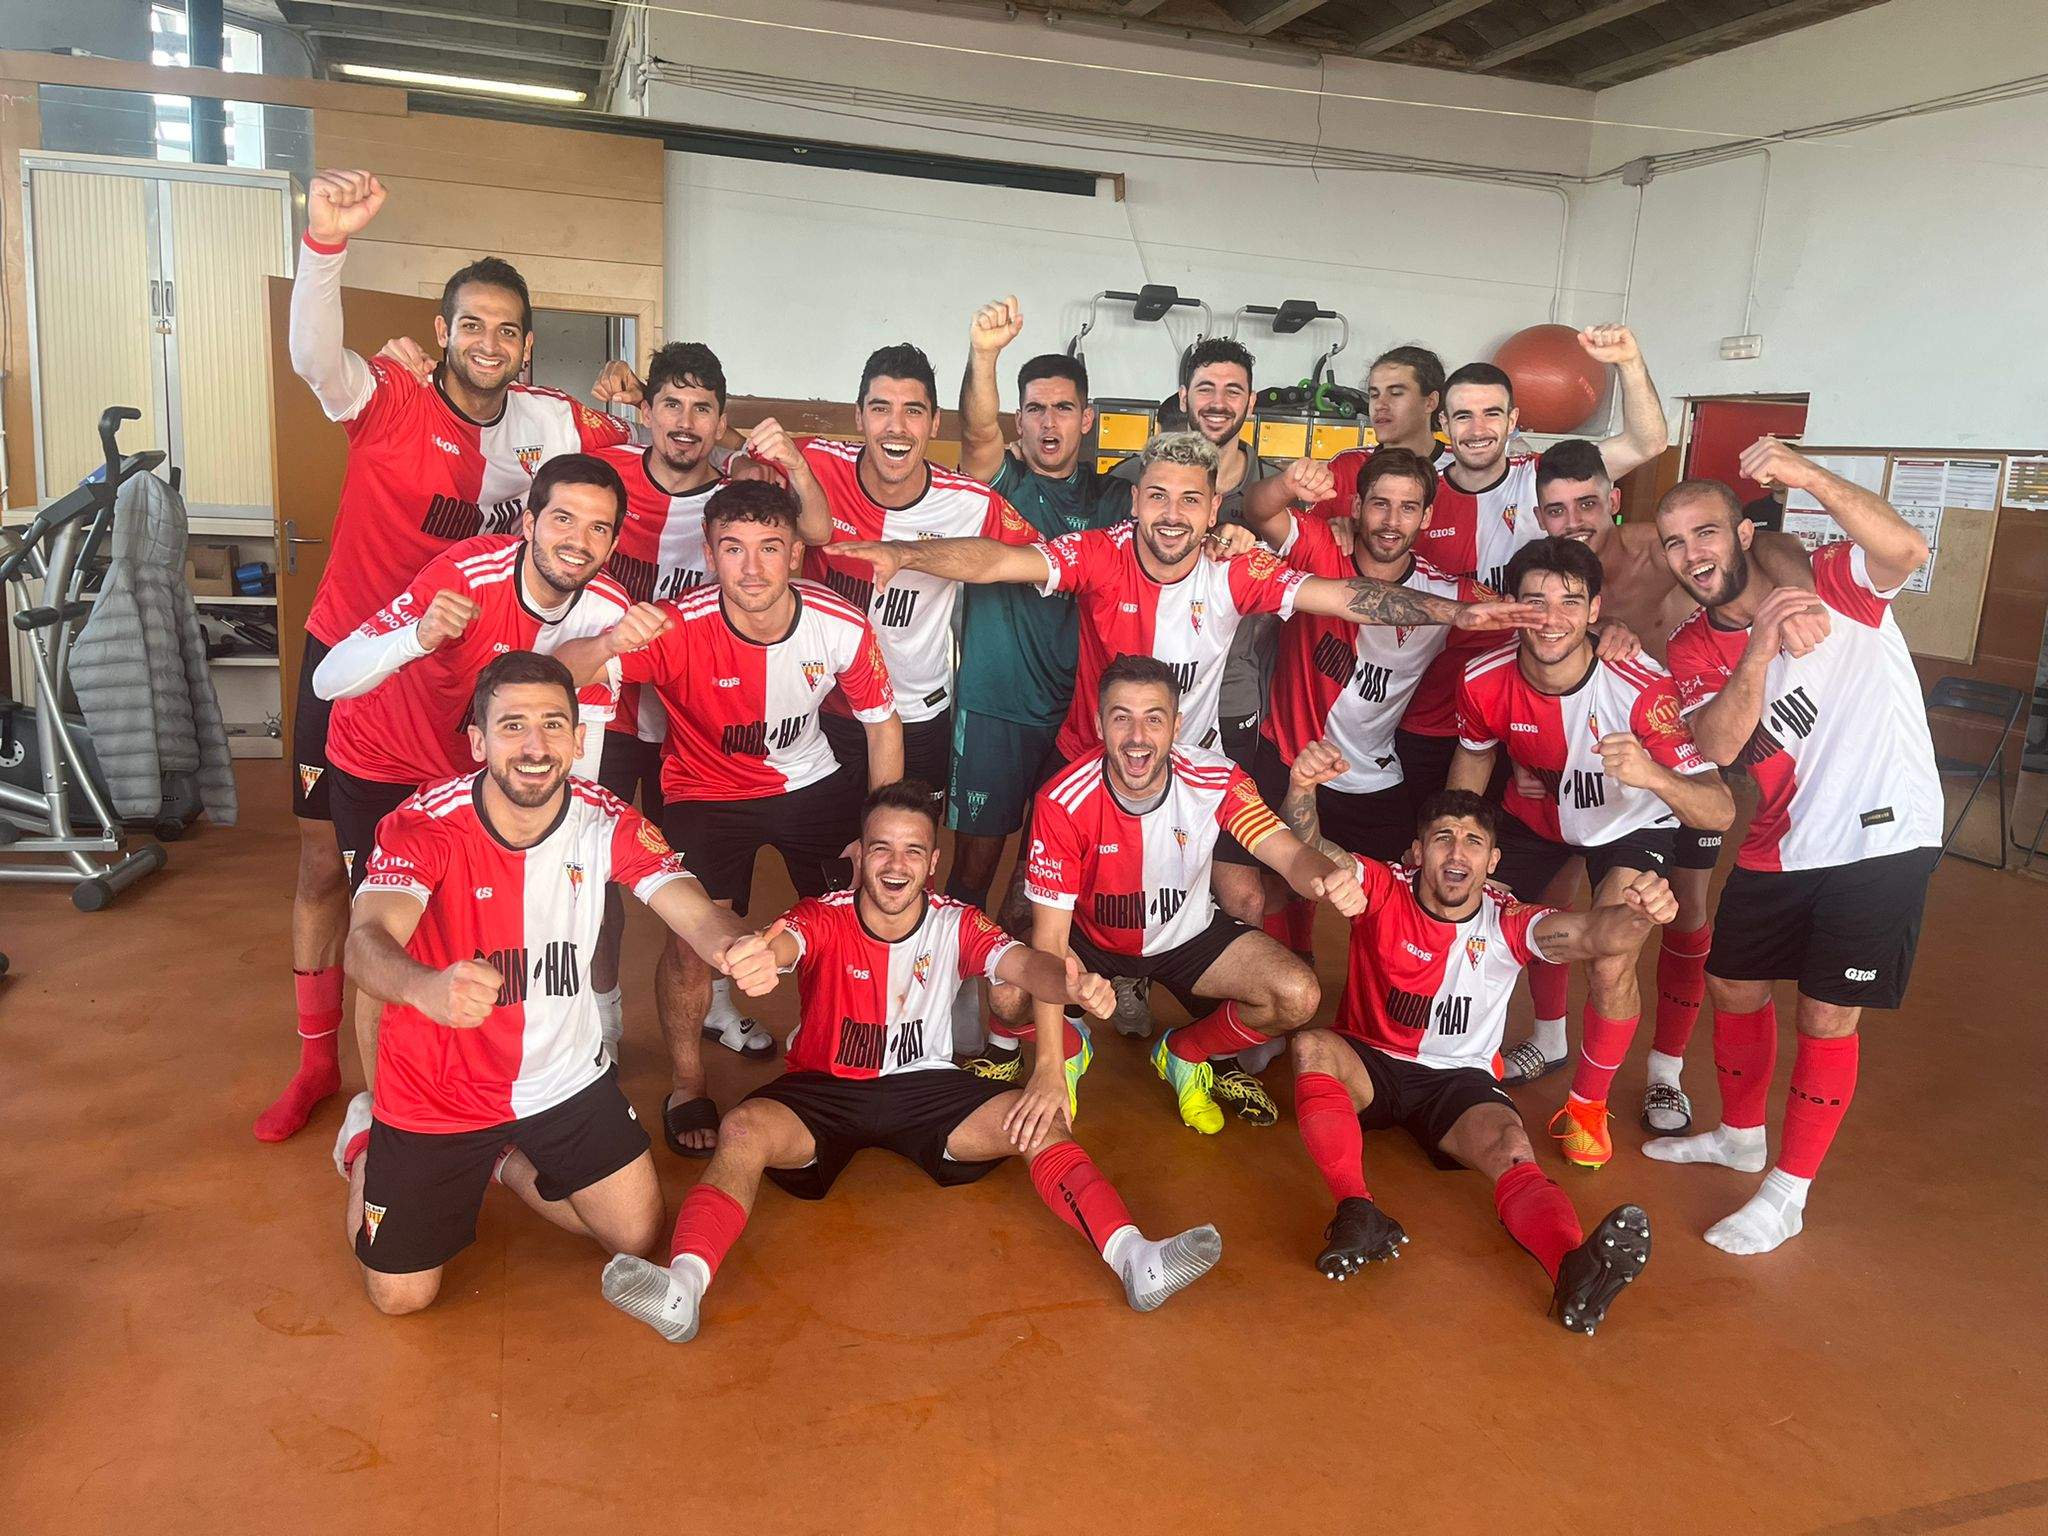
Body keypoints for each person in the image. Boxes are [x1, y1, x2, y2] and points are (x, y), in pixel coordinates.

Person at [831, 430, 1538, 1088]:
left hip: (1199, 777)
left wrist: (1452, 613)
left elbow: (1344, 597)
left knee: (1246, 897)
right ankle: (1032, 1042)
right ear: (1136, 501)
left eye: (1191, 499)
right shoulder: (1102, 553)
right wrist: (905, 556)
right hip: (1090, 769)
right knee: (1024, 924)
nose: (1172, 514)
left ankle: (1189, 1036)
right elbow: (1000, 560)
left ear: (1211, 510)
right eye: (1159, 496)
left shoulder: (1236, 570)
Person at [261, 167, 630, 1144]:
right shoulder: (388, 396)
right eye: (472, 325)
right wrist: (324, 244)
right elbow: (310, 354)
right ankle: (317, 1066)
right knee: (324, 874)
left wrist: (632, 402)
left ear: (524, 344)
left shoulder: (546, 421)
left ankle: (451, 1085)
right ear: (442, 331)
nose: (489, 344)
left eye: (507, 330)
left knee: (450, 889)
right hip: (362, 653)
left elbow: (635, 456)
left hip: (469, 680)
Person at [599, 781, 1224, 1343]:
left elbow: (1024, 966)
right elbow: (783, 943)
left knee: (1041, 1123)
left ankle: (1134, 1257)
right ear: (858, 855)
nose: (895, 865)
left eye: (912, 851)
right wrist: (758, 957)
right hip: (823, 1089)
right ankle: (683, 1286)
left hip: (929, 1089)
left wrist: (1071, 981)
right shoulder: (822, 915)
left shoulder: (958, 923)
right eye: (880, 849)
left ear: (933, 863)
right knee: (740, 1131)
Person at [338, 651, 778, 1316]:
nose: (535, 745)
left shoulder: (604, 818)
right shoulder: (426, 823)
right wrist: (425, 987)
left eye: (552, 724)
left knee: (633, 1233)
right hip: (438, 1091)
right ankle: (366, 1137)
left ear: (578, 739)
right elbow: (365, 944)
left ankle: (502, 1161)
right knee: (402, 1297)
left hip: (561, 1078)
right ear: (479, 741)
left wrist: (730, 945)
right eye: (512, 726)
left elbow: (685, 903)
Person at [1649, 439, 1941, 1255]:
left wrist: (1807, 473)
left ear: (1743, 533)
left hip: (1882, 833)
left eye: (1705, 533)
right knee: (1734, 986)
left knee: (1825, 1011)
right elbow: (1716, 741)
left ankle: (1788, 1191)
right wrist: (1762, 646)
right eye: (1675, 543)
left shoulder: (1839, 586)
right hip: (1783, 839)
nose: (1692, 555)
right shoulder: (1693, 647)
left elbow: (1906, 549)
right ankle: (1741, 1137)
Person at [552, 479, 903, 1157]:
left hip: (812, 781)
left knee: (852, 919)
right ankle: (688, 1083)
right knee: (689, 944)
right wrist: (610, 642)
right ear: (709, 555)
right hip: (704, 791)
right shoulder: (676, 625)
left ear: (796, 554)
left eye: (770, 548)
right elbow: (556, 671)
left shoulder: (840, 623)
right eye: (733, 549)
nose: (751, 567)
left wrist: (877, 835)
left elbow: (884, 728)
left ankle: (833, 1056)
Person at [1277, 750, 1669, 1335]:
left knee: (1513, 1145)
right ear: (1418, 853)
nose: (1456, 852)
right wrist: (1302, 788)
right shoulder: (1383, 886)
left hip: (1456, 1083)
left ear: (1492, 862)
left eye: (1472, 842)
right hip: (1370, 1060)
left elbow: (1592, 933)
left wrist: (1640, 915)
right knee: (1310, 1047)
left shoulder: (1510, 921)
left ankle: (1571, 1268)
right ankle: (1356, 1208)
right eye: (1442, 838)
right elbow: (1309, 855)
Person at [1528, 438, 1816, 1131]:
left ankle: (1665, 1073)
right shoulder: (1545, 573)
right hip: (1585, 747)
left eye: (1589, 504)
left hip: (1679, 748)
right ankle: (1547, 1038)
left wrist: (1796, 593)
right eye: (1558, 511)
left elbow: (1767, 542)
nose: (1576, 522)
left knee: (1684, 911)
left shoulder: (1660, 548)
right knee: (1550, 898)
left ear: (1613, 501)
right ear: (1541, 517)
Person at [1451, 536, 1733, 1171]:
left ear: (1595, 609)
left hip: (1629, 828)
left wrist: (1653, 774)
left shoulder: (1641, 687)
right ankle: (1494, 1053)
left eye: (1569, 602)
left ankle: (1586, 1105)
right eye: (1534, 602)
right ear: (1511, 607)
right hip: (1535, 817)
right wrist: (1456, 852)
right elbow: (1471, 760)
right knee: (1466, 921)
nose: (1551, 618)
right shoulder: (1482, 676)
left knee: (1610, 953)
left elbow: (1718, 810)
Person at [587, 343, 830, 1062]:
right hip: (611, 711)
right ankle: (600, 1019)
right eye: (669, 405)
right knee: (595, 874)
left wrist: (748, 443)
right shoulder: (609, 473)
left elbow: (814, 531)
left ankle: (717, 1005)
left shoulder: (741, 490)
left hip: (695, 727)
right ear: (647, 411)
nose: (684, 423)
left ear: (721, 420)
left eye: (702, 410)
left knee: (698, 887)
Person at [1015, 656, 1369, 1135]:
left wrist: (1329, 876)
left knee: (1298, 995)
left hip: (1187, 938)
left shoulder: (1217, 780)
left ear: (1177, 725)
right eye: (1121, 717)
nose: (1138, 737)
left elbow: (1289, 855)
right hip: (1093, 944)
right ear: (1099, 724)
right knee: (1006, 988)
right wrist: (1049, 1067)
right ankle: (1074, 1049)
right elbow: (1051, 942)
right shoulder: (1061, 800)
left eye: (1154, 719)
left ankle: (1184, 1052)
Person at [1247, 448, 1509, 968]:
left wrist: (1606, 633)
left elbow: (1531, 643)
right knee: (1277, 890)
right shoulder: (1323, 549)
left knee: (1401, 898)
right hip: (1288, 757)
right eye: (1380, 505)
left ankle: (1385, 1009)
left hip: (1373, 772)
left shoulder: (1449, 590)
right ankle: (1289, 976)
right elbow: (1259, 511)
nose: (1391, 522)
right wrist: (1285, 484)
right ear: (1357, 505)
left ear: (1427, 517)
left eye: (1408, 508)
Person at [947, 297, 1129, 918]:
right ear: (1018, 421)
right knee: (972, 870)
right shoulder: (1001, 485)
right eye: (1034, 409)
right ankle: (949, 992)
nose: (1048, 423)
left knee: (1042, 879)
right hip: (996, 705)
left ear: (1087, 418)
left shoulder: (1118, 498)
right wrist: (984, 356)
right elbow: (975, 435)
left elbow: (1187, 517)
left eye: (1062, 408)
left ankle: (1009, 1006)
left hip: (1078, 717)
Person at [800, 344, 1041, 792]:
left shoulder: (969, 501)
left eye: (913, 411)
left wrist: (910, 554)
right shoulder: (816, 463)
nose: (896, 427)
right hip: (825, 709)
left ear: (933, 423)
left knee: (904, 854)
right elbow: (741, 455)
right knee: (835, 856)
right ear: (858, 417)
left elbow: (1046, 560)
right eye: (880, 408)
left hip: (918, 715)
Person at [1108, 337, 1283, 771]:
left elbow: (1310, 577)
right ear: (1184, 397)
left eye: (1233, 391)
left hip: (1231, 698)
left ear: (1252, 401)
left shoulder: (1277, 493)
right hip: (1136, 702)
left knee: (1221, 830)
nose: (1218, 403)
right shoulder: (1130, 476)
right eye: (1205, 388)